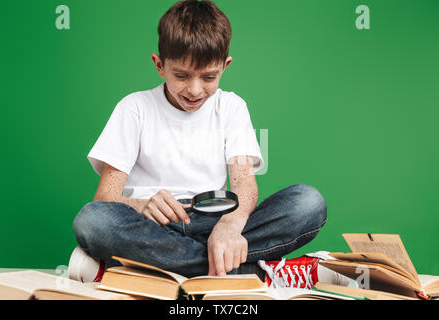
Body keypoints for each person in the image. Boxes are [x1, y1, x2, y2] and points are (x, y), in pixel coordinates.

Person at [69, 0, 347, 288]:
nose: (194, 89)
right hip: (153, 228)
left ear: (225, 66)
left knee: (308, 202)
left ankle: (159, 269)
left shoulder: (231, 107)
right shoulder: (134, 108)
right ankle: (255, 273)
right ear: (159, 64)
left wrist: (229, 227)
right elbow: (105, 197)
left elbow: (244, 185)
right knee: (93, 220)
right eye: (181, 75)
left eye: (209, 77)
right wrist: (142, 205)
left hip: (214, 222)